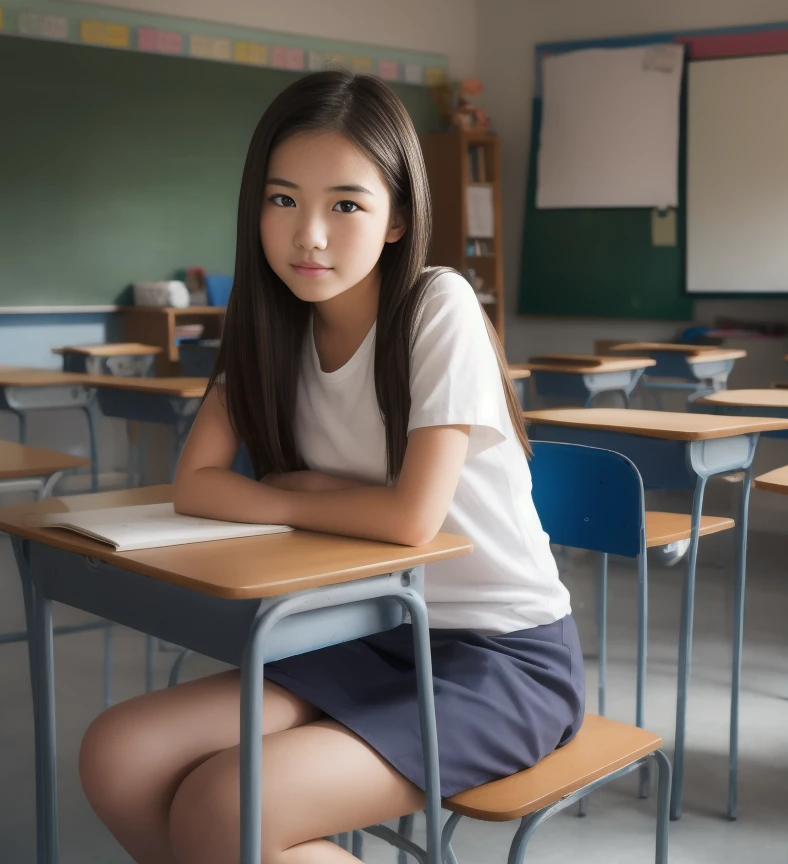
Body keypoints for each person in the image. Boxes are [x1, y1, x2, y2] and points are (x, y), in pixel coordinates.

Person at [78, 70, 583, 864]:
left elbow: (412, 521)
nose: (309, 234)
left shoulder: (436, 305)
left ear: (398, 217)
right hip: (362, 633)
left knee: (225, 806)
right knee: (119, 754)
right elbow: (196, 485)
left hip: (498, 657)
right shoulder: (266, 332)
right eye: (283, 200)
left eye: (346, 204)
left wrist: (301, 490)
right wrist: (325, 498)